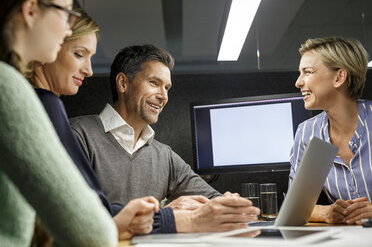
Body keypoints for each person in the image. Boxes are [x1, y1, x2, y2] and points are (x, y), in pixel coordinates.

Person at [70, 44, 260, 232]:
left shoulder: (163, 155)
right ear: (123, 83)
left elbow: (210, 198)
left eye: (167, 88)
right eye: (154, 83)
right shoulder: (78, 135)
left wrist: (227, 203)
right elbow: (78, 215)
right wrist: (165, 214)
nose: (163, 96)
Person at [29, 8, 160, 239]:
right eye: (79, 54)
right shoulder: (51, 109)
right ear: (50, 46)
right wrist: (170, 218)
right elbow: (87, 211)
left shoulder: (162, 152)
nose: (89, 71)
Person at [0, 0, 117, 246]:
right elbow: (93, 233)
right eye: (65, 13)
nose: (67, 28)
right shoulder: (7, 87)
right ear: (31, 10)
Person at [289, 36, 372, 225]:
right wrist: (326, 212)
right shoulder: (306, 133)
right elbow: (294, 206)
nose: (298, 82)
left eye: (307, 72)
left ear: (339, 77)